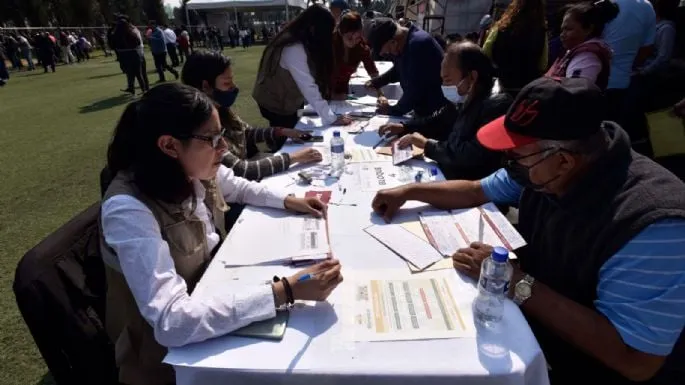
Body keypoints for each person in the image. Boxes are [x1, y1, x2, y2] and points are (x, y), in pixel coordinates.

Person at [372, 77, 685, 385]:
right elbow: (474, 191)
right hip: (536, 332)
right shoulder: (544, 169)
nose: (508, 163)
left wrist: (514, 282)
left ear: (563, 161)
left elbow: (635, 359)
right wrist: (408, 191)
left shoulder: (654, 225)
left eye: (515, 156)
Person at [101, 83, 343, 385]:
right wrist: (288, 291)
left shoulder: (187, 168)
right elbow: (172, 322)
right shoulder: (128, 210)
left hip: (213, 299)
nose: (224, 147)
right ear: (169, 145)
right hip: (169, 362)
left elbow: (237, 185)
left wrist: (287, 200)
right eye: (212, 139)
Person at [182, 51, 323, 180]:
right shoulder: (200, 126)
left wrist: (282, 131)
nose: (234, 87)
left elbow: (247, 133)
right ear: (206, 86)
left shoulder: (221, 109)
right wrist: (294, 157)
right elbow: (242, 171)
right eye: (227, 83)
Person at [395, 42, 512, 180]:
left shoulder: (496, 105)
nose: (444, 86)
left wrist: (427, 145)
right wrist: (405, 126)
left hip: (471, 185)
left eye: (448, 80)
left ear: (472, 77)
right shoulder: (468, 94)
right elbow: (439, 119)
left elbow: (471, 155)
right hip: (452, 172)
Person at [253, 5, 352, 128]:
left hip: (284, 99)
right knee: (288, 136)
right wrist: (331, 117)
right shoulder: (293, 47)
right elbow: (308, 85)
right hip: (276, 103)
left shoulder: (296, 37)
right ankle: (275, 143)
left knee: (296, 126)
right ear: (314, 29)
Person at [602, 0, 657, 156]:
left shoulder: (601, 5)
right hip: (622, 83)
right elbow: (646, 49)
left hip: (591, 81)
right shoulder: (646, 6)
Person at [364, 17, 447, 118]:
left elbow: (414, 91)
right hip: (422, 109)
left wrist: (392, 110)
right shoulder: (404, 43)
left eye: (388, 50)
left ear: (393, 41)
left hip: (436, 113)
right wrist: (377, 82)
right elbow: (399, 69)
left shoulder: (418, 45)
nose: (388, 54)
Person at [546, 0, 618, 90]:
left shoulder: (586, 57)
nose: (562, 34)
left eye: (569, 29)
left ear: (588, 29)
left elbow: (576, 95)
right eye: (562, 30)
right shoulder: (574, 50)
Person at [483, 0, 548, 96]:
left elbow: (485, 52)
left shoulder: (500, 28)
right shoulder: (541, 32)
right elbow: (543, 64)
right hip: (527, 91)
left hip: (504, 87)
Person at [331, 11, 380, 100]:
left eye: (357, 38)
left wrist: (381, 95)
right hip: (322, 92)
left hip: (343, 92)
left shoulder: (361, 47)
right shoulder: (329, 45)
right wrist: (330, 95)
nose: (353, 42)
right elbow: (318, 74)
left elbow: (372, 71)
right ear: (341, 32)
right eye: (349, 38)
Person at [112, 17, 149, 95]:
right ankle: (144, 89)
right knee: (139, 73)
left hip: (124, 56)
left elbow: (113, 45)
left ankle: (132, 88)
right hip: (133, 54)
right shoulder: (131, 33)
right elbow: (138, 42)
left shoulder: (116, 35)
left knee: (129, 73)